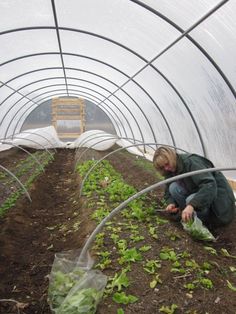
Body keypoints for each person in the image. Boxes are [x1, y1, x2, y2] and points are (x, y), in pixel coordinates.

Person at [153, 146, 236, 228]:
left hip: (218, 201)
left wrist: (192, 205)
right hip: (199, 191)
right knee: (173, 188)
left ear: (171, 158)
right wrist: (171, 203)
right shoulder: (170, 169)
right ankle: (189, 216)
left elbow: (209, 185)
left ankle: (203, 222)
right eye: (162, 167)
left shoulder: (191, 162)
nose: (166, 168)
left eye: (167, 164)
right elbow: (168, 190)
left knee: (190, 199)